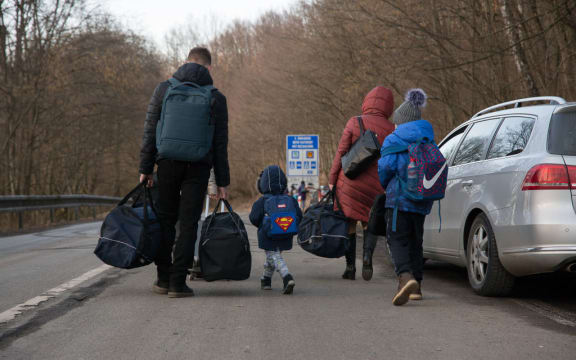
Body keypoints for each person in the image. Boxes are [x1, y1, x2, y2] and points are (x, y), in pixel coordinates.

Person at [139, 47, 229, 298]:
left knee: (165, 219)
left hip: (166, 162)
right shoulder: (216, 97)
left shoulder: (164, 89)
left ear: (186, 63)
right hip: (199, 165)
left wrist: (145, 168)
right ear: (208, 68)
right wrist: (222, 181)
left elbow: (149, 131)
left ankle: (162, 278)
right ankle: (179, 283)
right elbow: (220, 144)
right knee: (188, 223)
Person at [329, 86, 395, 281]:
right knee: (369, 223)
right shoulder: (392, 129)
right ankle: (367, 258)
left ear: (367, 102)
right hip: (376, 185)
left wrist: (332, 180)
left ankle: (350, 268)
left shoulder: (354, 122)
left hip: (350, 182)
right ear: (389, 106)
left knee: (349, 223)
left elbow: (341, 153)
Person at [378, 88, 432, 306]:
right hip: (421, 200)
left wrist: (385, 186)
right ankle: (417, 286)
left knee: (397, 240)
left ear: (400, 121)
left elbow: (385, 168)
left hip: (398, 200)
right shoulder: (429, 138)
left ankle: (405, 277)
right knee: (415, 242)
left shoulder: (394, 139)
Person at [249, 165, 302, 294]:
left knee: (273, 255)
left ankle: (286, 276)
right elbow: (299, 216)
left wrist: (262, 226)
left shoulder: (262, 201)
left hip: (268, 235)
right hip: (286, 233)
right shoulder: (291, 200)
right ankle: (266, 279)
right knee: (273, 256)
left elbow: (253, 218)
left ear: (263, 183)